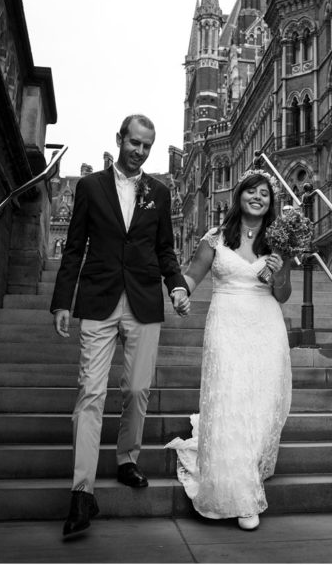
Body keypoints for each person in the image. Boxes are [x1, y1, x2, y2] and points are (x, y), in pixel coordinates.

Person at [50, 114, 190, 539]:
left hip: (145, 300)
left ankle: (127, 459)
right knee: (90, 392)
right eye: (134, 143)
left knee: (136, 388)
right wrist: (62, 301)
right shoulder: (90, 188)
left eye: (147, 146)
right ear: (120, 139)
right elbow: (74, 247)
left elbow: (165, 249)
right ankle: (82, 490)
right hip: (98, 299)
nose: (140, 151)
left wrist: (178, 286)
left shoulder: (159, 194)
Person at [165, 169, 294, 531]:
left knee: (262, 402)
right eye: (251, 191)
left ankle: (249, 471)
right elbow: (192, 276)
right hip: (226, 324)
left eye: (265, 194)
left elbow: (282, 295)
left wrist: (280, 272)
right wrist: (179, 292)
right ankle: (238, 494)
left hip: (265, 325)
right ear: (239, 196)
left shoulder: (277, 241)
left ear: (271, 203)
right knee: (231, 400)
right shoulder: (215, 238)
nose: (258, 197)